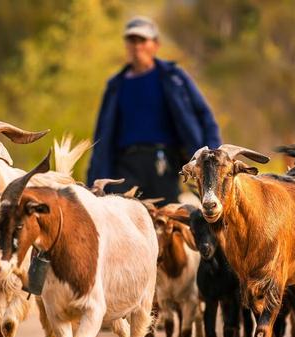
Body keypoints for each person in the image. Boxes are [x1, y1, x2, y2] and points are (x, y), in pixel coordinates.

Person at [87, 16, 221, 202]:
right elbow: (101, 137)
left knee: (167, 221)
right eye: (132, 40)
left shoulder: (173, 78)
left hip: (163, 164)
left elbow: (204, 116)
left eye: (142, 40)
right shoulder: (115, 86)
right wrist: (93, 177)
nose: (137, 46)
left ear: (155, 44)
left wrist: (212, 158)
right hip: (125, 167)